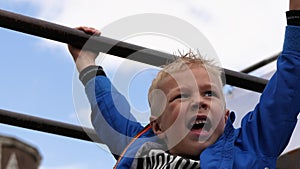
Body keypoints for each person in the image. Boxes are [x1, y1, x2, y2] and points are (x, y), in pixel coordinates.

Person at [68, 0, 300, 168]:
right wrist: (86, 60)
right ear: (158, 126)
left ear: (225, 114)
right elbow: (109, 112)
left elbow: (286, 89)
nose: (199, 102)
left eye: (209, 93)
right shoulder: (139, 146)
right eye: (181, 96)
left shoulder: (250, 146)